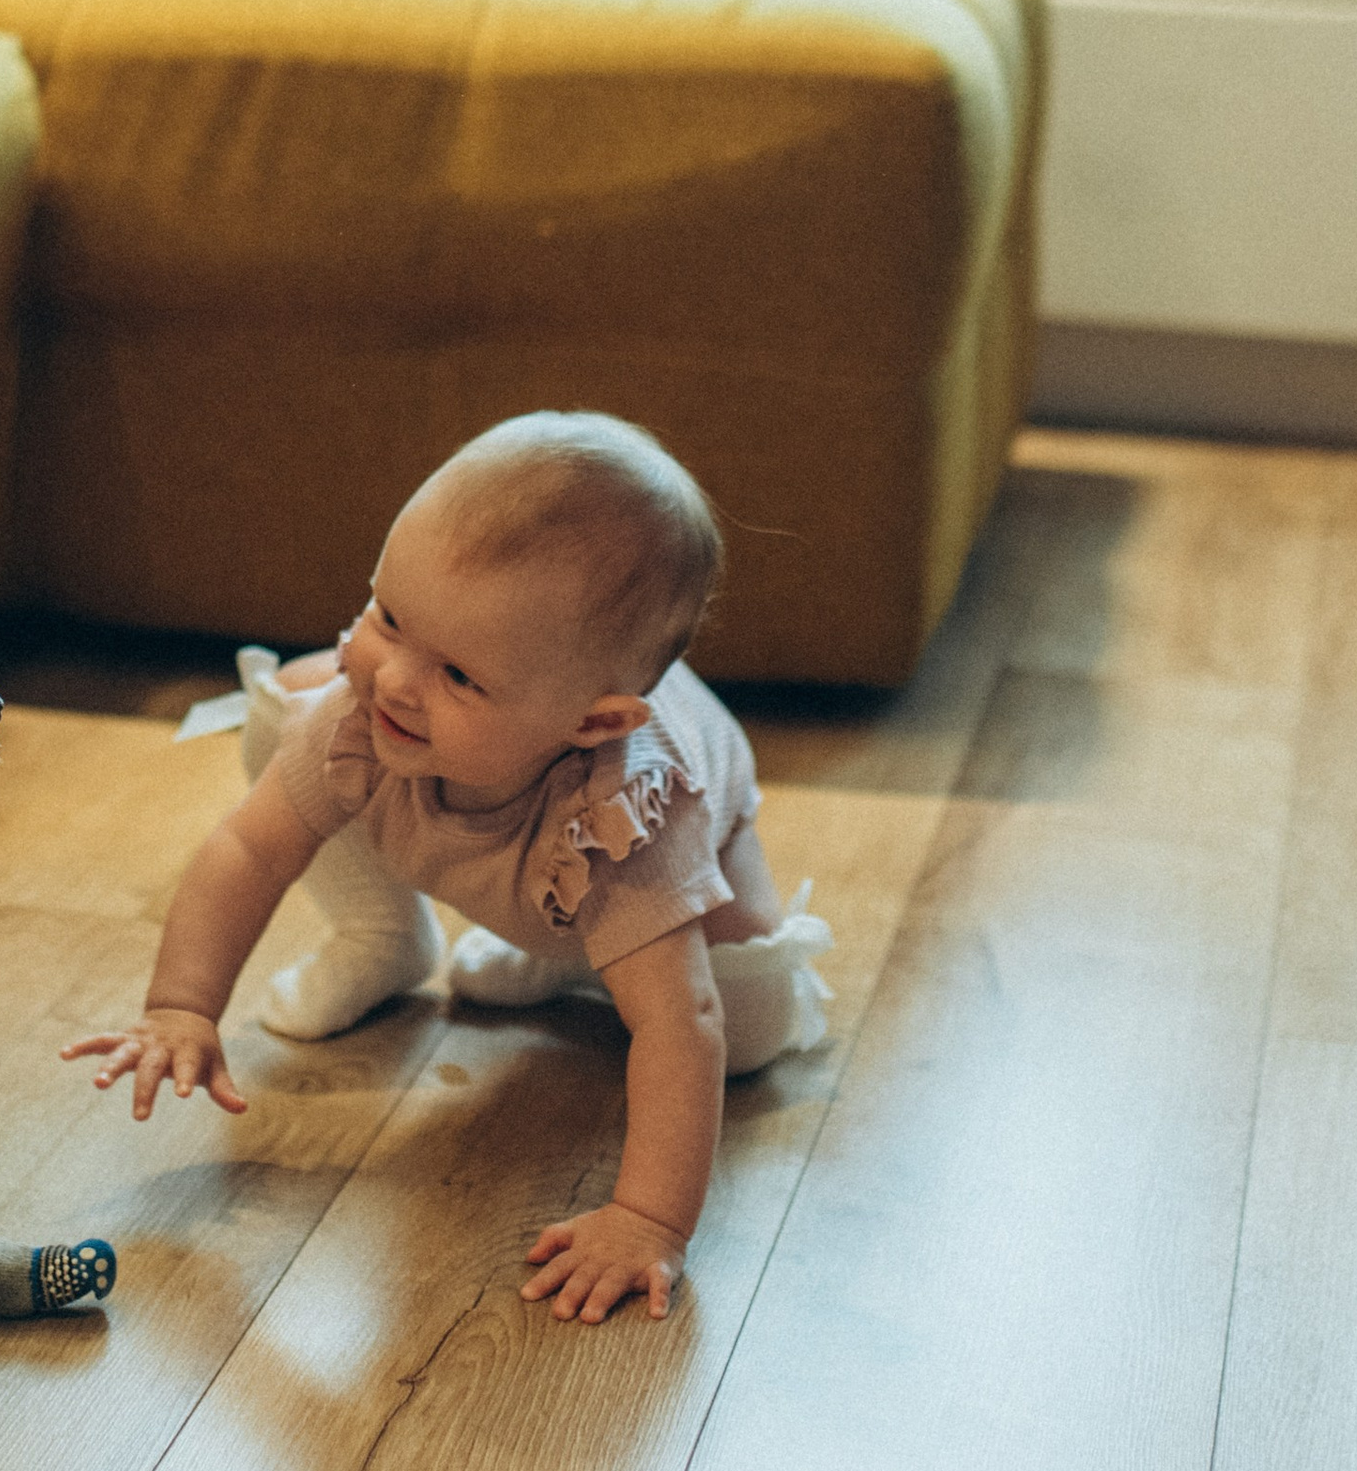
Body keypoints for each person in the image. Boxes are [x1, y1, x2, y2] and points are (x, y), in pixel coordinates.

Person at [63, 413, 830, 1322]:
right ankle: (384, 934)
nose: (393, 678)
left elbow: (681, 1026)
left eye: (459, 675)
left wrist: (647, 1219)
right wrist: (181, 1005)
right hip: (515, 833)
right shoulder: (369, 713)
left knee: (742, 1028)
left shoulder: (627, 829)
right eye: (389, 615)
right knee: (292, 718)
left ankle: (583, 957)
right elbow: (249, 848)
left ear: (593, 722)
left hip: (675, 856)